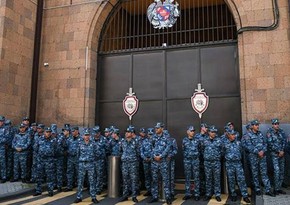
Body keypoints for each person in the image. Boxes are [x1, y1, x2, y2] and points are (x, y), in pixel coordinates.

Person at [242, 120, 275, 196]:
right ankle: (257, 189)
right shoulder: (248, 135)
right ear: (252, 126)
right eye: (256, 125)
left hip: (262, 156)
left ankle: (268, 189)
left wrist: (263, 151)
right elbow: (247, 146)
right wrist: (257, 152)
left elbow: (265, 143)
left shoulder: (260, 133)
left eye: (258, 125)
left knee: (264, 173)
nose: (257, 126)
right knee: (255, 174)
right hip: (253, 157)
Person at [223, 129, 251, 203]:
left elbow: (241, 152)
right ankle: (233, 194)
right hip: (229, 164)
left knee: (241, 180)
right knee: (231, 180)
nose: (234, 136)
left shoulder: (239, 143)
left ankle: (245, 195)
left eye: (234, 134)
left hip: (238, 163)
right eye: (232, 135)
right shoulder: (225, 143)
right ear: (228, 135)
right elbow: (223, 152)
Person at [149, 122, 172, 205]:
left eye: (158, 128)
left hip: (163, 162)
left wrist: (161, 156)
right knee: (154, 180)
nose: (156, 129)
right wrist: (154, 156)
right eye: (155, 128)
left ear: (162, 128)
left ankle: (168, 197)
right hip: (154, 162)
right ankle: (155, 196)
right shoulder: (153, 137)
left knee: (166, 180)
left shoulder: (167, 137)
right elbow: (150, 147)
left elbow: (168, 147)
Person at [74, 129, 98, 204]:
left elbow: (96, 153)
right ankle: (79, 197)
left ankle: (93, 197)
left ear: (90, 136)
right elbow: (77, 154)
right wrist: (79, 162)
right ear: (82, 136)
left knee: (92, 181)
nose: (86, 136)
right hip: (82, 164)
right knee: (80, 181)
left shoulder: (93, 143)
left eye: (88, 135)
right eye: (85, 135)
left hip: (91, 164)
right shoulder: (79, 143)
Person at [33, 127, 57, 197]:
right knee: (39, 176)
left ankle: (50, 191)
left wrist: (51, 155)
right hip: (40, 160)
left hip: (49, 161)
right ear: (44, 132)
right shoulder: (39, 139)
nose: (48, 133)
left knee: (50, 176)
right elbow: (35, 148)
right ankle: (38, 190)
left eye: (49, 132)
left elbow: (56, 150)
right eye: (47, 132)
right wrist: (41, 154)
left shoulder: (54, 140)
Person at [118, 126, 139, 203]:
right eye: (126, 132)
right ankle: (125, 195)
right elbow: (120, 151)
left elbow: (138, 152)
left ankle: (134, 196)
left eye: (128, 132)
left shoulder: (136, 141)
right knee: (125, 180)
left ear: (132, 133)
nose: (126, 133)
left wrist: (134, 159)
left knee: (134, 180)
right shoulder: (122, 141)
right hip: (125, 163)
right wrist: (124, 157)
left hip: (133, 163)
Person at [266, 118, 287, 195]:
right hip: (275, 155)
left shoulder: (281, 131)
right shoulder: (269, 132)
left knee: (282, 171)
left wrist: (282, 150)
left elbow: (284, 141)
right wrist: (279, 151)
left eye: (278, 124)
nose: (277, 125)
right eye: (275, 124)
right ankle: (275, 188)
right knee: (277, 171)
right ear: (272, 125)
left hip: (282, 154)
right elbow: (270, 144)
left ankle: (279, 188)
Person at [202, 125, 222, 202]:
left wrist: (217, 156)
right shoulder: (204, 140)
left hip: (216, 162)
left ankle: (217, 194)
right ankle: (208, 194)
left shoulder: (219, 140)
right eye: (212, 132)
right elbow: (202, 149)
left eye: (215, 132)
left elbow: (222, 150)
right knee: (208, 179)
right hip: (207, 162)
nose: (214, 133)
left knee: (217, 179)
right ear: (209, 132)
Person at [182, 125, 201, 201]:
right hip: (187, 161)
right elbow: (183, 150)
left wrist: (195, 156)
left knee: (196, 177)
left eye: (193, 131)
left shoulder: (197, 140)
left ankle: (197, 194)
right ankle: (187, 193)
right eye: (191, 131)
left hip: (195, 160)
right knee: (187, 178)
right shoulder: (184, 140)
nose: (192, 132)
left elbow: (200, 149)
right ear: (187, 132)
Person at [92, 125, 108, 194]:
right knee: (92, 175)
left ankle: (99, 188)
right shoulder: (91, 139)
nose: (95, 134)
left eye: (96, 133)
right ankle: (93, 188)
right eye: (94, 133)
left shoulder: (104, 139)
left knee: (99, 175)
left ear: (99, 133)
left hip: (100, 160)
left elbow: (107, 149)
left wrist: (102, 154)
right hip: (92, 160)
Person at [64, 126, 80, 192]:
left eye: (73, 131)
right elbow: (65, 146)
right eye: (72, 131)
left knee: (78, 173)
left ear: (77, 131)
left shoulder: (81, 139)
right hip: (70, 158)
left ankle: (79, 186)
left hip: (77, 158)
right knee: (69, 172)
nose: (72, 133)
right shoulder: (69, 139)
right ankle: (69, 186)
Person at [140, 128, 153, 196]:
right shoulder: (144, 141)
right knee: (147, 176)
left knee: (153, 176)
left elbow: (156, 151)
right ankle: (149, 190)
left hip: (153, 161)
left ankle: (154, 190)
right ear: (147, 134)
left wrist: (151, 158)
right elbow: (141, 151)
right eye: (149, 134)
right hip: (145, 160)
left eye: (151, 134)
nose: (150, 135)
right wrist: (144, 158)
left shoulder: (155, 141)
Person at [0, 115, 8, 183]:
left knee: (2, 163)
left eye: (1, 121)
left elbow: (6, 138)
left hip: (1, 148)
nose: (0, 122)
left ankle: (3, 177)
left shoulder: (5, 129)